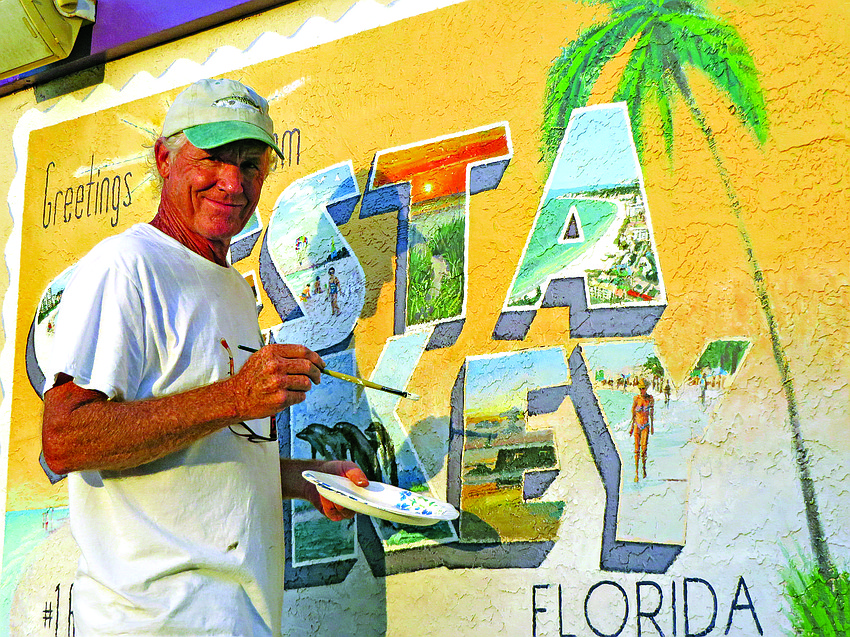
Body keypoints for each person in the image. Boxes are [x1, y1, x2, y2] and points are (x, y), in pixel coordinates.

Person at [40, 78, 368, 637]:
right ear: (164, 158)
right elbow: (66, 437)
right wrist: (236, 396)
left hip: (238, 618)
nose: (232, 182)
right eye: (213, 158)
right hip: (155, 623)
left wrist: (306, 480)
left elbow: (210, 453)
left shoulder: (232, 290)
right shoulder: (126, 265)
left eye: (251, 164)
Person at [628, 378, 654, 482]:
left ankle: (643, 468)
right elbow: (633, 414)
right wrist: (631, 428)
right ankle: (636, 473)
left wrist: (652, 426)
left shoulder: (650, 399)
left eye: (643, 388)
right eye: (640, 389)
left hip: (645, 425)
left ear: (646, 388)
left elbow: (651, 413)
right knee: (636, 450)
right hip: (637, 425)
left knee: (644, 449)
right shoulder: (636, 399)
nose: (641, 390)